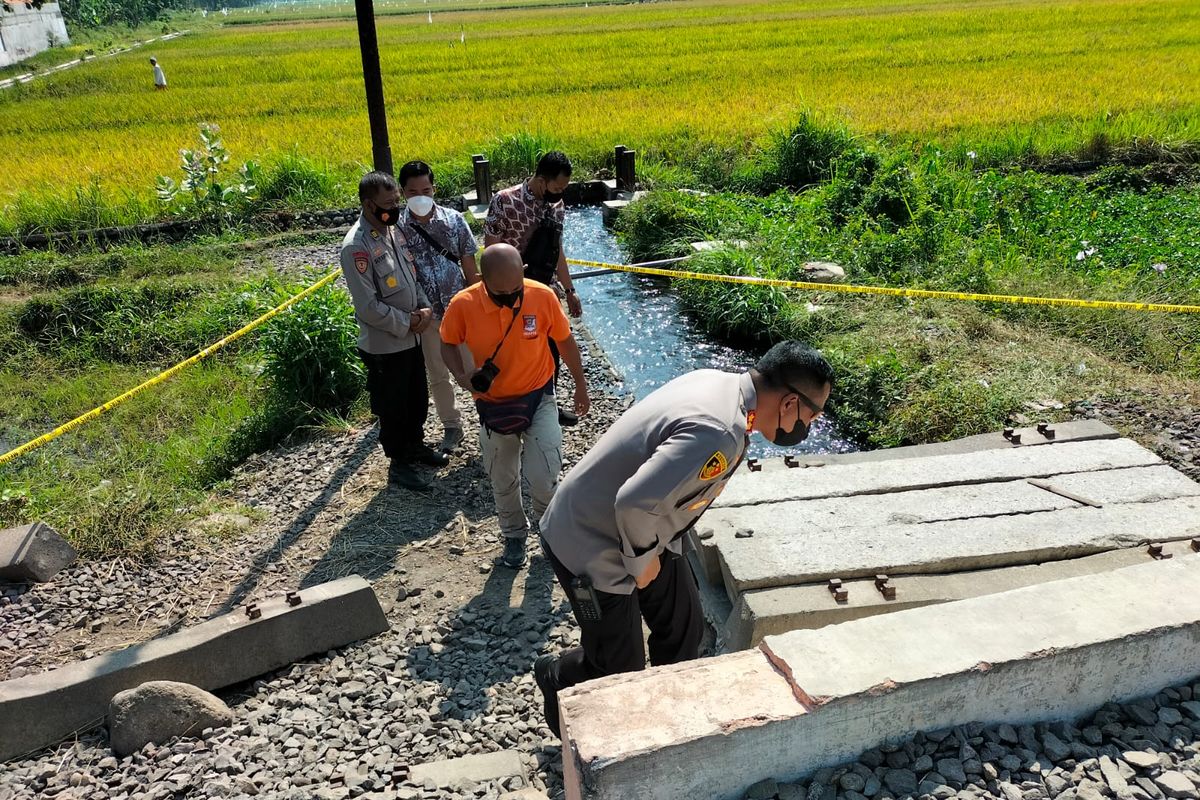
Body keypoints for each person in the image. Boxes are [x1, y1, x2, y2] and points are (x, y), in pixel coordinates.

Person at [533, 341, 834, 736]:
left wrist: (654, 555)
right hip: (589, 541)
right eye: (813, 416)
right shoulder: (721, 430)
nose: (808, 428)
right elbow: (633, 504)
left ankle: (662, 720)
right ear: (791, 404)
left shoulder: (722, 386)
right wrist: (642, 567)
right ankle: (556, 676)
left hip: (647, 535)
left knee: (684, 629)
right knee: (617, 669)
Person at [440, 243, 591, 569]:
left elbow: (564, 340)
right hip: (493, 406)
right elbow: (448, 342)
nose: (511, 297)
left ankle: (551, 531)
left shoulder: (541, 295)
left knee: (545, 473)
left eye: (515, 289)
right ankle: (513, 536)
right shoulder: (463, 305)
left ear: (522, 273)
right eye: (500, 293)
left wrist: (580, 385)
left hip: (539, 397)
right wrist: (463, 376)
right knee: (502, 477)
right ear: (482, 280)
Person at [339, 170, 450, 492]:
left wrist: (425, 307)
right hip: (386, 344)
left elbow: (410, 277)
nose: (395, 209)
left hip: (411, 336)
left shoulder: (391, 232)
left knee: (417, 398)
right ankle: (399, 462)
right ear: (367, 204)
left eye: (396, 202)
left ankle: (415, 446)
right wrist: (408, 322)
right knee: (394, 406)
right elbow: (368, 307)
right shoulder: (356, 247)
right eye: (388, 204)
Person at [483, 151, 583, 426]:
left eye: (564, 188)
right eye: (557, 187)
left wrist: (570, 289)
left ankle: (547, 405)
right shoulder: (505, 201)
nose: (560, 192)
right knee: (516, 351)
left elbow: (557, 249)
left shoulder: (557, 205)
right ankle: (512, 406)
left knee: (552, 349)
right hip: (511, 291)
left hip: (546, 291)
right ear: (541, 180)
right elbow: (490, 247)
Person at [399, 159, 480, 454]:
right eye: (412, 192)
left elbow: (470, 266)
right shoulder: (396, 229)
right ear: (402, 193)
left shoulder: (454, 220)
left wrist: (478, 303)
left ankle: (488, 417)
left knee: (475, 365)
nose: (420, 196)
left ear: (434, 189)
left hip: (461, 309)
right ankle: (451, 426)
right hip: (428, 316)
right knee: (437, 372)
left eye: (426, 189)